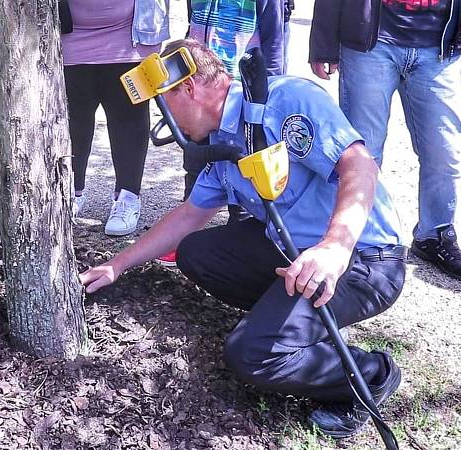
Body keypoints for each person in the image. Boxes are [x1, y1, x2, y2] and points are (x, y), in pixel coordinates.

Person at [81, 39, 407, 438]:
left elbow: (359, 164)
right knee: (197, 252)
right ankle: (287, 322)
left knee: (253, 355)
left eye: (164, 102)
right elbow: (188, 215)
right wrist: (117, 265)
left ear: (188, 89)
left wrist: (335, 247)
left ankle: (370, 375)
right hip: (293, 251)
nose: (164, 117)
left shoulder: (285, 100)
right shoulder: (221, 142)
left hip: (363, 259)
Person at [309, 0, 461, 280]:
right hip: (371, 45)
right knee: (363, 153)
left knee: (445, 151)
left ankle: (435, 234)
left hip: (439, 49)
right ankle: (357, 235)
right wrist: (323, 44)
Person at [157, 0, 286, 266]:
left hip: (239, 92)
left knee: (243, 170)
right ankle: (182, 237)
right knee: (195, 163)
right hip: (198, 92)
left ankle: (244, 238)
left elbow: (274, 38)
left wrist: (265, 87)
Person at [61, 0, 170, 237]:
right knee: (72, 125)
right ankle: (70, 192)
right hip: (69, 40)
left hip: (130, 39)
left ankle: (127, 196)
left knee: (128, 122)